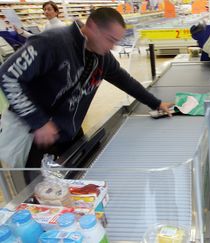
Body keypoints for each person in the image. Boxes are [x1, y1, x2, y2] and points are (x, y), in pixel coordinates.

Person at [0, 8, 173, 182]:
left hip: (66, 131)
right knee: (33, 193)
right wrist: (39, 122)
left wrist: (156, 103)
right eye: (109, 39)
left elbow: (124, 80)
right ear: (92, 27)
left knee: (70, 185)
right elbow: (7, 76)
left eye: (116, 41)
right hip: (31, 133)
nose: (112, 47)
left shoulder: (102, 57)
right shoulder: (51, 42)